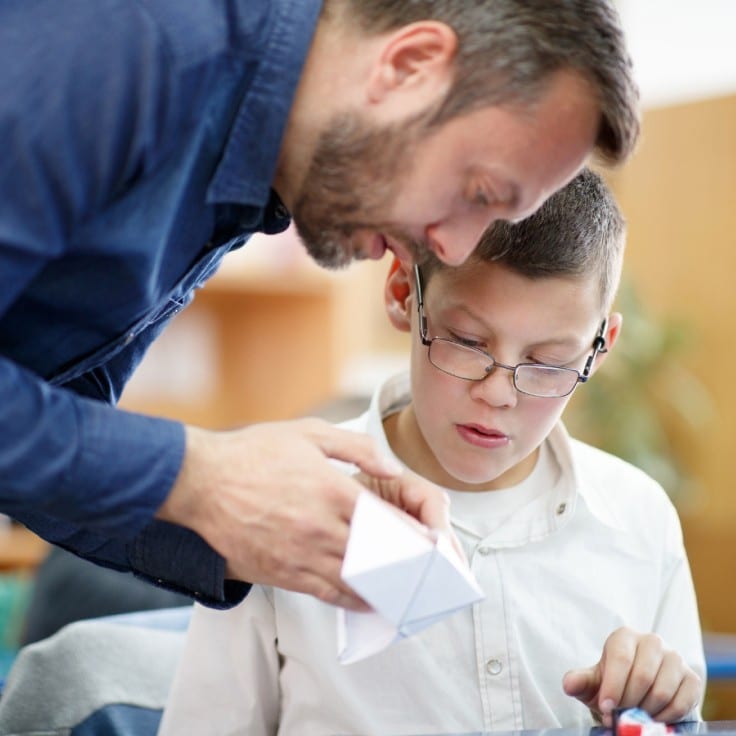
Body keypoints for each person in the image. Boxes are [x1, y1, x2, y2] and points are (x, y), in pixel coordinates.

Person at [0, 0, 639, 611]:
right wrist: (195, 476)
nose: (452, 244)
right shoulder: (131, 40)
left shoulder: (243, 175)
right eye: (478, 193)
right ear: (409, 65)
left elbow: (46, 419)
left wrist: (262, 522)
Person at [159, 170, 705, 735]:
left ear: (600, 348)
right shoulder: (284, 503)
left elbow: (672, 718)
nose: (497, 393)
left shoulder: (640, 520)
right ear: (402, 295)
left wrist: (661, 707)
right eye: (467, 342)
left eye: (548, 364)